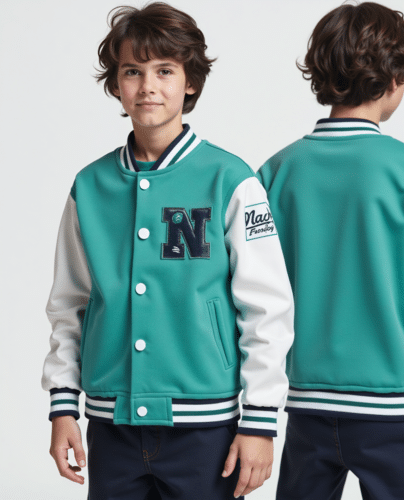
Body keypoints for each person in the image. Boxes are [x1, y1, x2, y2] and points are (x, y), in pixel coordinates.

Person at [41, 3, 294, 499]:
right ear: (116, 84)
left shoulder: (231, 180)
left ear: (190, 82)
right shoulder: (89, 187)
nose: (147, 86)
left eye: (164, 71)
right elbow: (70, 305)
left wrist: (260, 420)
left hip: (205, 427)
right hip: (111, 423)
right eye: (132, 71)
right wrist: (63, 405)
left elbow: (267, 308)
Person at [256, 2, 404, 499]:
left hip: (307, 404)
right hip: (398, 407)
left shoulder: (274, 173)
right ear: (396, 78)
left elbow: (253, 297)